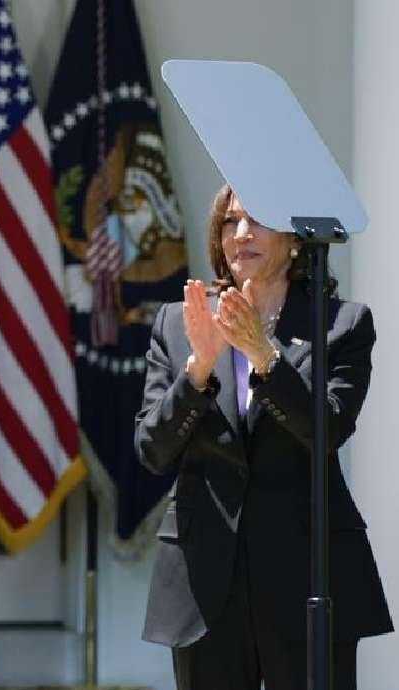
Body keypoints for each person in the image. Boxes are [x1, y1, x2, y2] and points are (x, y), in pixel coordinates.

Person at [135, 184, 391, 689]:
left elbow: (329, 431)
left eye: (258, 221)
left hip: (307, 580)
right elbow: (152, 449)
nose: (242, 234)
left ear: (295, 240)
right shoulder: (178, 323)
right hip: (205, 586)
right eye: (231, 222)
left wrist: (264, 358)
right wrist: (198, 373)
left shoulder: (340, 324)